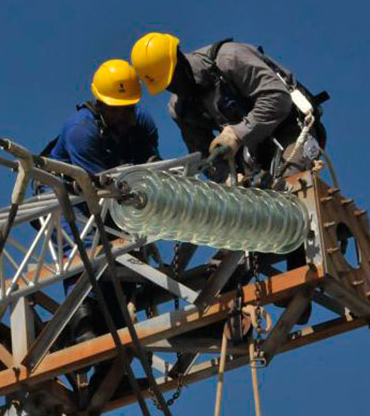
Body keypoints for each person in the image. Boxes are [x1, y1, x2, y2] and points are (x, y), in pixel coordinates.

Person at [130, 33, 328, 324]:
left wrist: (237, 133)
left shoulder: (228, 59)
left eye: (173, 79)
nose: (175, 88)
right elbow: (203, 154)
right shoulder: (180, 108)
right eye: (167, 85)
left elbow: (277, 98)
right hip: (254, 153)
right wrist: (227, 182)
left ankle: (299, 278)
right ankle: (228, 285)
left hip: (291, 131)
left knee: (289, 195)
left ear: (181, 61)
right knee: (242, 207)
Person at [43, 59, 160, 344]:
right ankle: (82, 318)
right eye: (120, 112)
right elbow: (98, 198)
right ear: (102, 105)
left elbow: (154, 169)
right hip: (63, 195)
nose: (127, 118)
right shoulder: (81, 131)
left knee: (117, 258)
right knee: (86, 245)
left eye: (130, 109)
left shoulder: (140, 124)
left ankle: (110, 356)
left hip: (113, 196)